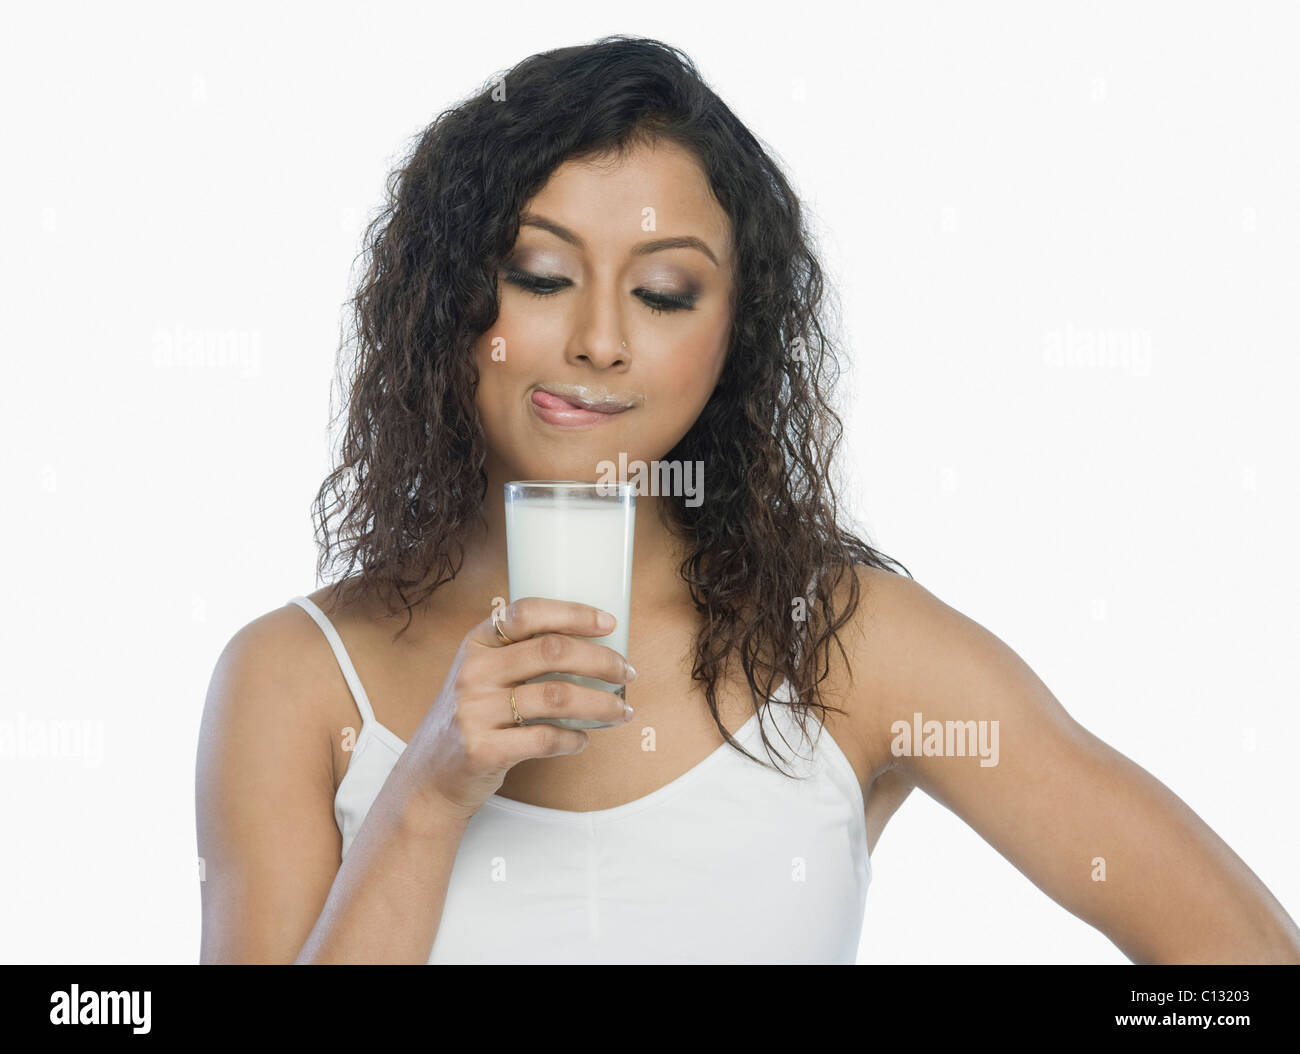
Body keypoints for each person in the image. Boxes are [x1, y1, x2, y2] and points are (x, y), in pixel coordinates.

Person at [195, 35, 1300, 965]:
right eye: (540, 273)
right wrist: (429, 794)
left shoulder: (846, 646)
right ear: (446, 301)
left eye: (664, 291)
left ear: (734, 335)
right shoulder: (293, 680)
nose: (600, 340)